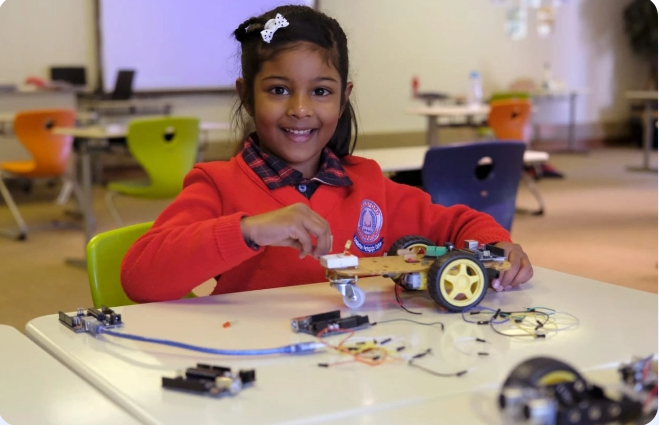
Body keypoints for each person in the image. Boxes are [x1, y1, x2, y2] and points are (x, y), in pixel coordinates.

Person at [121, 5, 533, 303]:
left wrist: (498, 246)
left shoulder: (368, 183)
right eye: (278, 89)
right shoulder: (218, 184)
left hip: (355, 369)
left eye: (321, 91)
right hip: (260, 374)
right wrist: (248, 230)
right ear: (246, 96)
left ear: (343, 97)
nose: (300, 109)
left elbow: (460, 222)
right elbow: (141, 277)